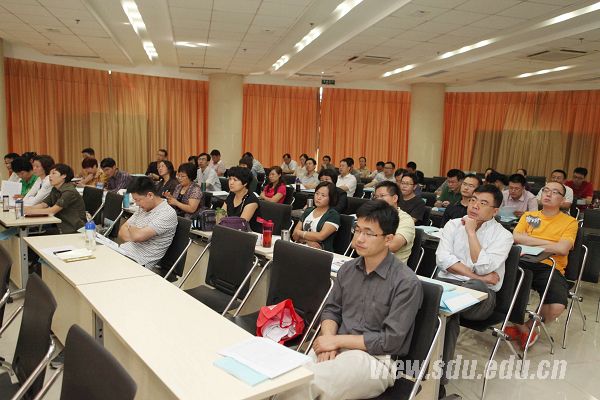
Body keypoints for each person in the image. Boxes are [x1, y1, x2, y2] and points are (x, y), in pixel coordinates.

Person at [279, 200, 422, 400]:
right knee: (287, 378)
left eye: (369, 233)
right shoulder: (347, 269)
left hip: (375, 360)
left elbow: (391, 340)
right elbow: (332, 310)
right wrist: (329, 340)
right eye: (357, 230)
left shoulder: (405, 282)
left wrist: (334, 341)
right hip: (337, 344)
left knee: (304, 384)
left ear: (388, 239)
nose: (359, 239)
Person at [435, 184, 513, 395]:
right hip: (448, 287)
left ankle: (436, 382)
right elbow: (442, 259)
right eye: (473, 200)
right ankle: (429, 378)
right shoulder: (453, 224)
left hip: (481, 297)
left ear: (495, 211)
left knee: (467, 291)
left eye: (483, 203)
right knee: (447, 311)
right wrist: (478, 276)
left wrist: (471, 232)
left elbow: (485, 267)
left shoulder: (503, 236)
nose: (475, 206)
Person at [508, 181, 578, 349]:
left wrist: (530, 240)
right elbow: (516, 237)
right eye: (546, 190)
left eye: (555, 192)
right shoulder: (529, 216)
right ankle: (523, 330)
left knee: (557, 305)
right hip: (523, 261)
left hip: (549, 266)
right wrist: (551, 243)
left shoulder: (570, 222)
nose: (548, 194)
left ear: (563, 200)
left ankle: (527, 327)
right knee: (504, 289)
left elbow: (562, 249)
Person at [118, 177, 178, 270]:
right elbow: (121, 232)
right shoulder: (142, 208)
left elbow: (138, 236)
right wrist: (135, 233)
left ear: (150, 195)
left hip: (140, 263)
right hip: (124, 252)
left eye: (138, 200)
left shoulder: (167, 213)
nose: (137, 204)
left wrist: (131, 229)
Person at [24, 164, 86, 234]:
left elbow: (52, 211)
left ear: (64, 175)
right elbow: (43, 205)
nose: (50, 176)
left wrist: (29, 211)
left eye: (53, 173)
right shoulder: (55, 189)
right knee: (30, 231)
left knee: (34, 234)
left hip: (72, 228)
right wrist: (25, 209)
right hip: (60, 224)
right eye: (50, 173)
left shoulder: (69, 191)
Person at [372, 181, 415, 264]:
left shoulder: (405, 220)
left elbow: (392, 246)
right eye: (376, 197)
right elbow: (355, 242)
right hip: (368, 263)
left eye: (382, 196)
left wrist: (367, 242)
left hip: (392, 268)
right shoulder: (373, 216)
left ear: (395, 198)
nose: (378, 200)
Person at [293, 182, 340, 252]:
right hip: (302, 248)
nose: (318, 197)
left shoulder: (333, 215)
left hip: (321, 252)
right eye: (317, 193)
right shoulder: (308, 211)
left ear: (331, 198)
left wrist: (300, 233)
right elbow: (294, 234)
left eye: (323, 195)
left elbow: (320, 236)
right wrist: (307, 241)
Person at [223, 166, 261, 231]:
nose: (231, 183)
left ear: (245, 183)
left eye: (235, 180)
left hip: (249, 234)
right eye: (230, 179)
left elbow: (240, 226)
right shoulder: (232, 195)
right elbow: (221, 215)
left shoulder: (251, 200)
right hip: (230, 231)